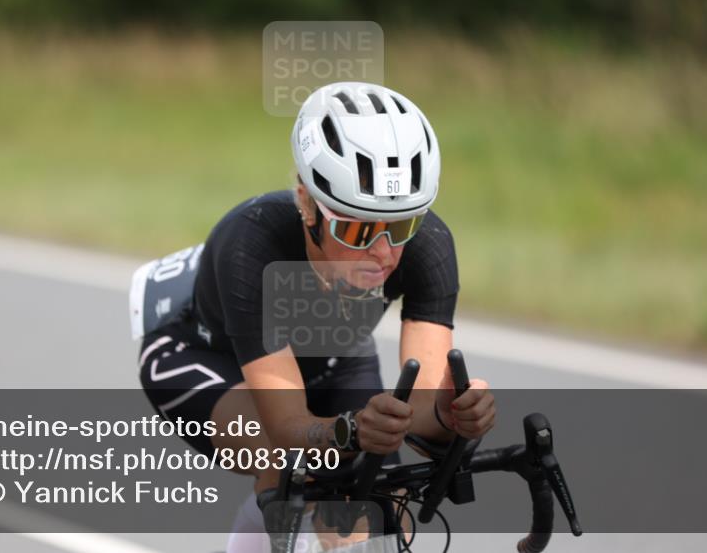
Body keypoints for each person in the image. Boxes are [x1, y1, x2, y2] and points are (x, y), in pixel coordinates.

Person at [137, 82, 495, 551]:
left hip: (334, 357)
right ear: (307, 204)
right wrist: (348, 431)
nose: (383, 253)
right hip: (206, 356)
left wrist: (449, 417)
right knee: (289, 468)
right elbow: (288, 426)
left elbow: (424, 409)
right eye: (358, 228)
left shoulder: (428, 246)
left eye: (402, 225)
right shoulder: (252, 245)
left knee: (387, 505)